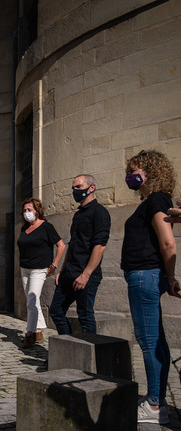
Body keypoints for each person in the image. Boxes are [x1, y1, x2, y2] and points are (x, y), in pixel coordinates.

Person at [121, 150, 180, 424]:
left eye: (134, 171)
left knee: (148, 342)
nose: (129, 176)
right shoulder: (151, 201)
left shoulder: (156, 199)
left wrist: (170, 278)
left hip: (145, 274)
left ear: (151, 173)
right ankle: (158, 403)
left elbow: (168, 243)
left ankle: (154, 406)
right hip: (145, 274)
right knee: (155, 340)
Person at [49, 174, 111, 334]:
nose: (75, 190)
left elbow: (100, 245)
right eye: (73, 187)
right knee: (55, 311)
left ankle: (90, 356)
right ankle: (68, 347)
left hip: (86, 274)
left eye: (78, 187)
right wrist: (62, 271)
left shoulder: (99, 212)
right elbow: (72, 243)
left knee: (85, 316)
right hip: (69, 273)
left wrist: (86, 274)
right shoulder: (78, 214)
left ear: (91, 188)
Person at [16, 198, 65, 348]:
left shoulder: (46, 227)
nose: (26, 213)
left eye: (29, 210)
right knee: (32, 300)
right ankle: (38, 330)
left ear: (37, 211)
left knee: (32, 299)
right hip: (25, 268)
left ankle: (29, 334)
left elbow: (61, 245)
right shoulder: (24, 228)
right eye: (24, 210)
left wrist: (54, 265)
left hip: (39, 268)